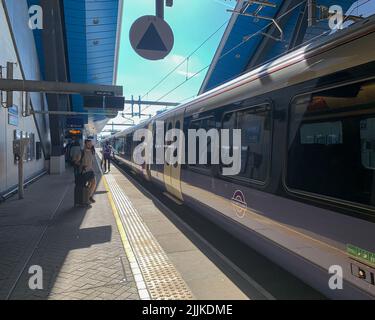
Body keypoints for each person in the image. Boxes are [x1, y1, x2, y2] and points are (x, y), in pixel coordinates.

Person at [80, 139, 96, 203]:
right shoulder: (82, 152)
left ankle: (88, 196)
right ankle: (87, 197)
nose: (90, 144)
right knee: (87, 185)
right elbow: (76, 160)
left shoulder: (92, 151)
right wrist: (81, 165)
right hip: (84, 171)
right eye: (88, 143)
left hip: (91, 170)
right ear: (85, 144)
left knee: (93, 183)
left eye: (90, 143)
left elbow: (92, 161)